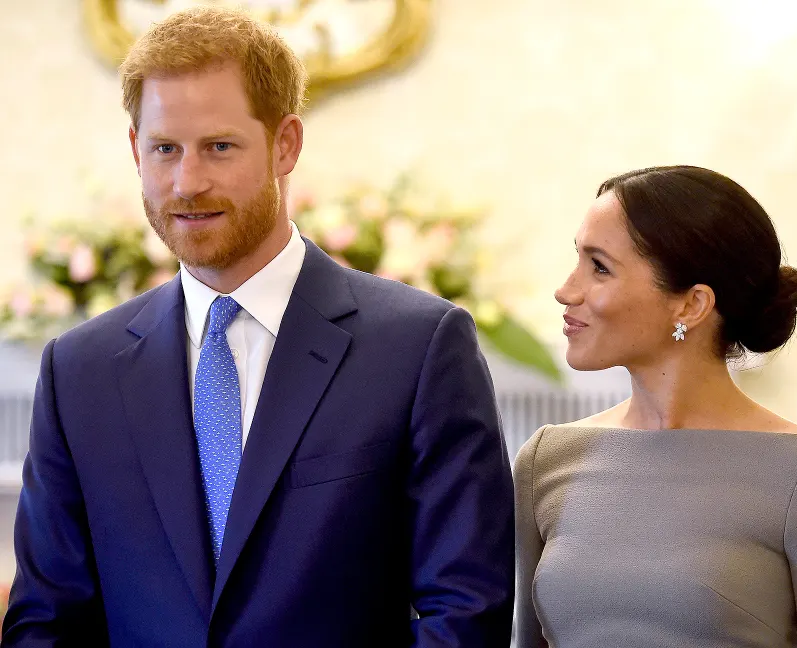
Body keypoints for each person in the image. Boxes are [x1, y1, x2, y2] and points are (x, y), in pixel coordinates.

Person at [2, 7, 514, 647]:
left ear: (286, 145)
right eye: (165, 149)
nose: (188, 182)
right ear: (136, 149)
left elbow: (465, 611)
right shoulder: (78, 370)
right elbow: (45, 622)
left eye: (219, 147)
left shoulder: (419, 348)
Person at [514, 165, 797, 648]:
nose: (567, 290)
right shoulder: (546, 460)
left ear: (691, 305)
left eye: (599, 266)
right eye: (578, 260)